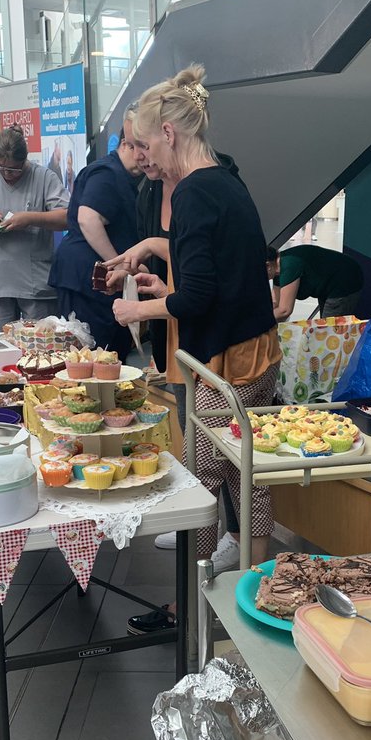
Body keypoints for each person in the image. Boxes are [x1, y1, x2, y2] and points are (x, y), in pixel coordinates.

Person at [110, 63, 280, 594]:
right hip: (250, 346)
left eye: (146, 145)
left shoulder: (193, 193)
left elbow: (201, 294)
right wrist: (169, 293)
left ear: (168, 133)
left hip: (232, 358)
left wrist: (140, 311)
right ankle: (253, 582)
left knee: (205, 476)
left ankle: (198, 601)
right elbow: (222, 274)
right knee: (241, 469)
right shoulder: (224, 182)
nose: (144, 159)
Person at [0, 126, 69, 331]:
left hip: (36, 283)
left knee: (39, 350)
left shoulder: (44, 178)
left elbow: (66, 217)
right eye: (0, 168)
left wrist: (30, 218)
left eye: (14, 169)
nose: (7, 174)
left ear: (25, 160)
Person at [49, 109, 141, 358]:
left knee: (108, 356)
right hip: (88, 281)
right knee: (94, 357)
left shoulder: (122, 175)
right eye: (140, 148)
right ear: (125, 144)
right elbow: (88, 219)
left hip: (92, 278)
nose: (146, 158)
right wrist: (120, 263)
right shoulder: (108, 174)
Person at [267, 244, 364, 320]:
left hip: (345, 280)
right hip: (327, 282)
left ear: (268, 265)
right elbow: (275, 302)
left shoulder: (289, 265)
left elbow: (284, 310)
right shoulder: (277, 269)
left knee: (330, 329)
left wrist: (258, 322)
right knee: (325, 324)